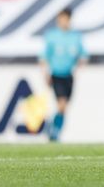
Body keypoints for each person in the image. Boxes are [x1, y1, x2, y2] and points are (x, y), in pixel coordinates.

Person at [38, 8, 88, 141]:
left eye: (65, 18)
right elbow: (44, 57)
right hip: (56, 75)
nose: (63, 21)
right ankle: (55, 134)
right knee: (62, 104)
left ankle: (53, 128)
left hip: (68, 76)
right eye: (61, 18)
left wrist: (80, 64)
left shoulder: (75, 36)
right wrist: (45, 74)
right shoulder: (52, 36)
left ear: (69, 19)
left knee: (64, 108)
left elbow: (83, 55)